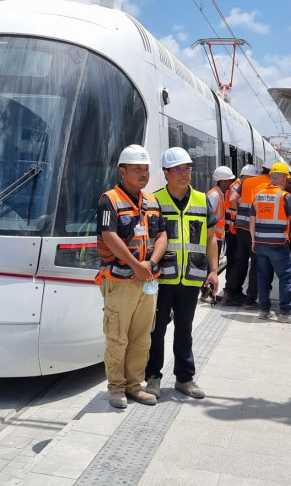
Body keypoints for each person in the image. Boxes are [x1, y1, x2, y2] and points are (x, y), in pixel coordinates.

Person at [95, 144, 168, 409]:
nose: (143, 174)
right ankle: (116, 388)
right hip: (120, 281)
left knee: (142, 337)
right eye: (137, 169)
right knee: (117, 336)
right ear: (122, 171)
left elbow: (162, 234)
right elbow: (109, 236)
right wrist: (136, 264)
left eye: (145, 169)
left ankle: (134, 386)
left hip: (147, 279)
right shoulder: (109, 199)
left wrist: (150, 263)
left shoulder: (152, 200)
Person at [144, 147, 219, 400]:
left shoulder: (201, 199)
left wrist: (214, 271)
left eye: (187, 168)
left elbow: (211, 239)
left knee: (185, 329)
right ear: (165, 173)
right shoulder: (154, 201)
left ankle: (184, 378)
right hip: (161, 278)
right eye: (178, 169)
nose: (184, 173)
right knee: (156, 330)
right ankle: (153, 377)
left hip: (192, 276)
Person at [249, 162, 291, 323]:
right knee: (286, 276)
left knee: (263, 276)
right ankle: (285, 313)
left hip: (260, 241)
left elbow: (252, 220)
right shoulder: (285, 196)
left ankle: (264, 310)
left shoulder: (258, 195)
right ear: (284, 178)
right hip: (278, 243)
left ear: (271, 177)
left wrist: (253, 240)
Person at [229, 160, 272, 308]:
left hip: (241, 226)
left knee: (240, 260)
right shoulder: (270, 186)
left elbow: (233, 199)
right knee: (256, 264)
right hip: (256, 229)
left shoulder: (247, 182)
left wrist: (240, 212)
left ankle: (230, 291)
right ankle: (250, 298)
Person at [222, 165, 258, 306]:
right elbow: (232, 200)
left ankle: (232, 291)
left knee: (239, 260)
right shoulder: (238, 185)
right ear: (244, 177)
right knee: (241, 260)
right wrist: (242, 211)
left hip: (238, 227)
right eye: (251, 178)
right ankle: (234, 291)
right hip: (238, 227)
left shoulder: (240, 185)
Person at [203, 166, 235, 303]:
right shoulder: (214, 195)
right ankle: (205, 294)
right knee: (210, 267)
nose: (230, 184)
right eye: (229, 181)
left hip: (218, 236)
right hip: (212, 237)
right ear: (222, 182)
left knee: (212, 266)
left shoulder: (220, 194)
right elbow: (207, 215)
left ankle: (210, 294)